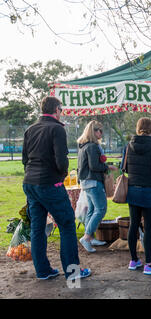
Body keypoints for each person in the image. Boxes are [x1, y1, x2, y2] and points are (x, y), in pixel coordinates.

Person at [22, 96, 91, 280]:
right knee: (67, 225)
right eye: (61, 109)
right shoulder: (57, 129)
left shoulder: (30, 129)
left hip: (30, 183)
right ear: (57, 109)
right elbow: (61, 161)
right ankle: (72, 274)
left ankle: (42, 271)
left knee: (38, 228)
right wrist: (61, 177)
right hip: (49, 184)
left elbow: (24, 160)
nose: (62, 113)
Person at [121, 118, 151, 275]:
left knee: (133, 225)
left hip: (133, 190)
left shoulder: (128, 146)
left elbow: (124, 167)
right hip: (148, 192)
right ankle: (149, 263)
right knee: (148, 228)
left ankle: (133, 260)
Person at [77, 120, 118, 252]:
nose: (101, 133)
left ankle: (90, 237)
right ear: (93, 132)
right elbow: (94, 166)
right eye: (99, 130)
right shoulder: (92, 147)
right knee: (100, 209)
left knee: (92, 209)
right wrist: (108, 167)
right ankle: (87, 237)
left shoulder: (84, 145)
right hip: (93, 181)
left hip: (86, 182)